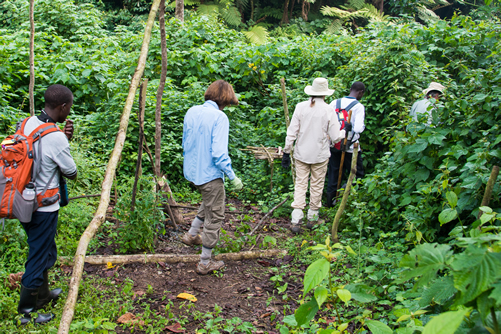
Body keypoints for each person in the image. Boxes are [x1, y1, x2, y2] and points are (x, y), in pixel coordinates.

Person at [17, 84, 77, 325]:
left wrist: (63, 138)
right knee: (38, 256)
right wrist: (65, 141)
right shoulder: (55, 138)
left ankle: (43, 294)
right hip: (43, 207)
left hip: (23, 203)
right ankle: (27, 313)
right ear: (63, 106)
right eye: (69, 107)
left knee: (45, 250)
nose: (69, 111)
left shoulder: (28, 123)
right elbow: (71, 172)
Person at [181, 80, 243, 275]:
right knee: (215, 215)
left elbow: (185, 142)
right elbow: (218, 154)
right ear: (226, 98)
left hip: (192, 172)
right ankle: (205, 262)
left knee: (209, 201)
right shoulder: (220, 117)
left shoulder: (192, 111)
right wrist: (232, 176)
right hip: (209, 174)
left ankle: (191, 235)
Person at [281, 78, 345, 234]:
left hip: (301, 153)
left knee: (300, 184)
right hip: (320, 154)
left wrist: (286, 151)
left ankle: (296, 219)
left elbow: (292, 132)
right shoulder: (329, 110)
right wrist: (344, 131)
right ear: (325, 94)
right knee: (317, 184)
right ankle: (312, 217)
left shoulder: (301, 107)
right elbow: (335, 136)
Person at [325, 81, 366, 208]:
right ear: (360, 92)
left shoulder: (334, 103)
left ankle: (329, 203)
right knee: (357, 174)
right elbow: (358, 128)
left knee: (334, 173)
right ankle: (345, 197)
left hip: (334, 144)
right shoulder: (358, 106)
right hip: (350, 147)